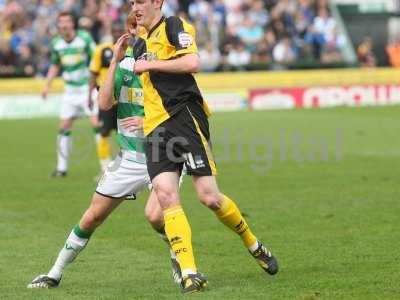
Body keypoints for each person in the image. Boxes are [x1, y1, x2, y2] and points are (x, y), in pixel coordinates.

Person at [131, 0, 279, 294]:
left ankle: (253, 243)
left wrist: (151, 63)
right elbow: (148, 89)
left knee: (209, 197)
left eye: (141, 0)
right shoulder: (138, 46)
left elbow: (193, 62)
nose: (135, 6)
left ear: (157, 2)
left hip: (184, 117)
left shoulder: (174, 26)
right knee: (165, 195)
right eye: (132, 1)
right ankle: (190, 274)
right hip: (155, 128)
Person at [27, 13, 182, 289]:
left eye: (144, 28)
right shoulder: (123, 67)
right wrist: (114, 62)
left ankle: (181, 261)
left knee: (156, 215)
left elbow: (183, 110)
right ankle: (54, 273)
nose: (139, 33)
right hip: (130, 159)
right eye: (134, 28)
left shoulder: (166, 66)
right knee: (92, 216)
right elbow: (104, 103)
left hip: (164, 154)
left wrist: (149, 121)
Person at [42, 11, 100, 177]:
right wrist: (47, 85)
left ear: (72, 23)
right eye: (61, 22)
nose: (64, 25)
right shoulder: (56, 43)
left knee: (97, 124)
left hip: (86, 89)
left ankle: (105, 166)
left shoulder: (85, 38)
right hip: (70, 90)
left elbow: (96, 59)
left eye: (67, 21)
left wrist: (98, 83)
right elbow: (55, 66)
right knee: (63, 127)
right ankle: (62, 169)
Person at [88, 23, 125, 174]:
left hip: (124, 100)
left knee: (125, 133)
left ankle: (124, 166)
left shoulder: (131, 50)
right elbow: (93, 74)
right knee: (103, 132)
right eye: (114, 30)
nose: (116, 33)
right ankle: (105, 167)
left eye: (119, 31)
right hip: (107, 99)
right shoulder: (101, 50)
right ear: (111, 32)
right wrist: (89, 96)